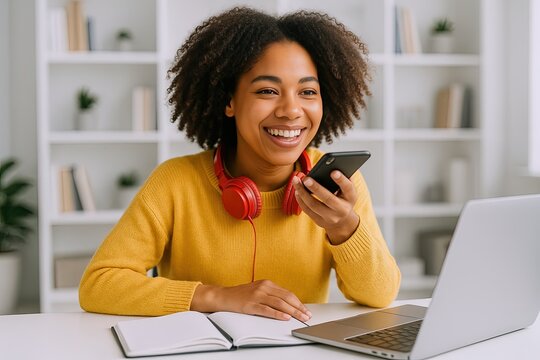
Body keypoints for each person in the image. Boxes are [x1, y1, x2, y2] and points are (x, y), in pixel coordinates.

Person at [79, 7, 400, 322]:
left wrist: (345, 230)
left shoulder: (338, 185)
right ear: (229, 101)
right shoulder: (175, 181)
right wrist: (216, 296)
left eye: (307, 91)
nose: (291, 110)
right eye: (267, 90)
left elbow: (380, 296)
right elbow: (98, 285)